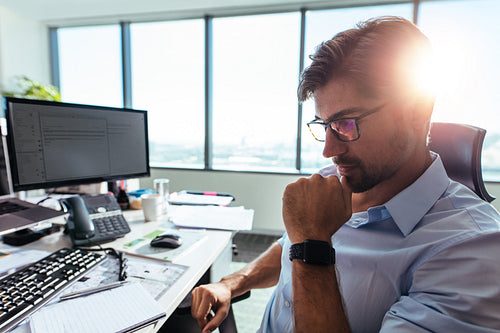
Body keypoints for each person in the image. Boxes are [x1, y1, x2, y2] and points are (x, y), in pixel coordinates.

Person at [191, 16, 500, 332]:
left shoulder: (471, 251)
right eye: (324, 126)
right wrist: (232, 283)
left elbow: (303, 246)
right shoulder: (336, 180)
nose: (328, 151)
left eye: (346, 124)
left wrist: (313, 245)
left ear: (416, 112)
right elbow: (287, 248)